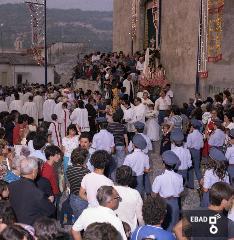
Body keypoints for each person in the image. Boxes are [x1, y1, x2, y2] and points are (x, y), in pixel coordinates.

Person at [8, 157, 55, 225]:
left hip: (17, 225)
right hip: (32, 228)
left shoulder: (12, 185)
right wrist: (49, 201)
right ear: (34, 171)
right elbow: (50, 210)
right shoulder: (37, 192)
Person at [152, 150, 183, 231]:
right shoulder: (179, 177)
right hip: (175, 202)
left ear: (163, 163)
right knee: (175, 224)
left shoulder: (159, 178)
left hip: (163, 202)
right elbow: (180, 192)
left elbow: (154, 194)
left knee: (165, 224)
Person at [114, 165, 144, 232]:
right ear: (130, 178)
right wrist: (142, 230)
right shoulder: (135, 193)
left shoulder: (111, 190)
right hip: (131, 231)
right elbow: (140, 217)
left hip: (113, 230)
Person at [66, 148, 90, 220]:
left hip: (72, 197)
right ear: (84, 159)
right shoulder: (86, 172)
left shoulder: (69, 168)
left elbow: (68, 183)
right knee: (82, 221)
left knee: (76, 220)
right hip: (83, 199)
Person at [186, 119, 204, 189]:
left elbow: (188, 145)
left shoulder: (190, 135)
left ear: (192, 127)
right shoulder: (201, 135)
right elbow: (202, 145)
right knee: (197, 168)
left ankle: (190, 184)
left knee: (190, 167)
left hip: (191, 151)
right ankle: (201, 183)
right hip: (198, 152)